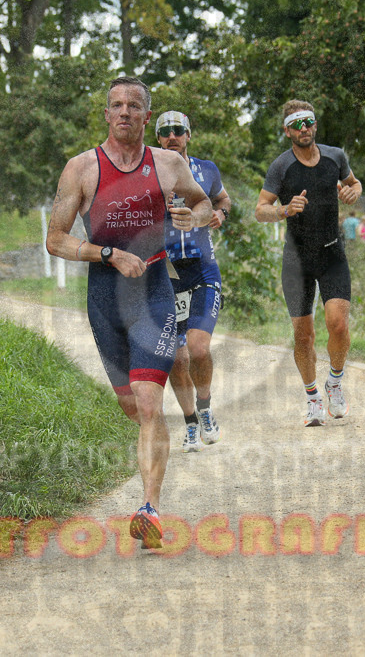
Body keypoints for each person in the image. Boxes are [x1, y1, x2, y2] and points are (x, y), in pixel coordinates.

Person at [45, 77, 212, 549]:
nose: (123, 112)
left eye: (133, 106)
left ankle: (150, 508)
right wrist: (107, 255)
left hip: (155, 290)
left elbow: (203, 205)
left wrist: (192, 218)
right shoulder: (80, 169)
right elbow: (55, 239)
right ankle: (150, 484)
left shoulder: (168, 163)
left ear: (145, 115)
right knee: (130, 406)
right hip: (104, 296)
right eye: (115, 105)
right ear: (106, 114)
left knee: (149, 402)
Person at [255, 100, 362, 427]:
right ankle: (313, 397)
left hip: (332, 254)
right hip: (297, 261)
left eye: (309, 122)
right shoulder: (281, 167)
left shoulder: (335, 157)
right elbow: (260, 210)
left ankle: (334, 381)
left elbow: (354, 183)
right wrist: (285, 209)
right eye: (297, 123)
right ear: (287, 130)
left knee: (338, 324)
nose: (304, 128)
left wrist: (353, 192)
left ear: (315, 125)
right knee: (303, 336)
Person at [155, 110, 231, 453]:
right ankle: (189, 423)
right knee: (176, 358)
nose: (172, 136)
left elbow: (223, 199)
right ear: (157, 139)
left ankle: (205, 407)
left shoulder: (207, 170)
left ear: (189, 135)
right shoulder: (148, 173)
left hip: (202, 269)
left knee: (199, 349)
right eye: (165, 131)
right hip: (166, 273)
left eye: (178, 131)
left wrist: (220, 213)